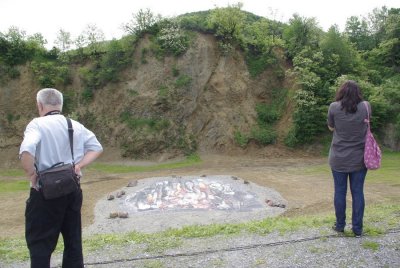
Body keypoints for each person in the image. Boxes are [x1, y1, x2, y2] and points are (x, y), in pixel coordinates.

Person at [19, 88, 103, 268]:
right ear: (60, 105)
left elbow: (26, 150)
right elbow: (96, 147)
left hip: (45, 193)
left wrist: (31, 174)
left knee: (40, 244)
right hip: (72, 190)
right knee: (73, 241)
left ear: (40, 105)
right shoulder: (74, 125)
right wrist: (79, 165)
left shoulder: (37, 124)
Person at [327, 80, 369, 238]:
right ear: (358, 92)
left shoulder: (334, 107)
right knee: (358, 192)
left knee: (339, 191)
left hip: (338, 158)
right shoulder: (366, 106)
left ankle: (339, 226)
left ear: (341, 92)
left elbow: (331, 127)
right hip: (359, 159)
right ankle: (357, 229)